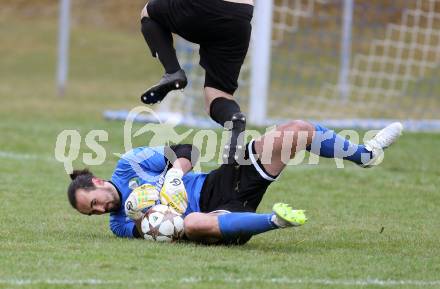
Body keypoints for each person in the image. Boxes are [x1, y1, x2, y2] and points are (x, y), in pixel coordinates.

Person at [66, 121, 403, 245]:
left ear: (96, 180)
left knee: (295, 131)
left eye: (93, 201)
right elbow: (164, 229)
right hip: (214, 217)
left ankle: (365, 154)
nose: (100, 209)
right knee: (193, 222)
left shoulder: (130, 164)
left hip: (218, 183)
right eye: (92, 212)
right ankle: (275, 220)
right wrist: (151, 212)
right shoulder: (120, 224)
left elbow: (186, 150)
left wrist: (174, 174)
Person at [139, 0, 254, 163]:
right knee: (218, 93)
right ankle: (234, 119)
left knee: (148, 13)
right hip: (240, 16)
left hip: (204, 8)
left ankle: (172, 72)